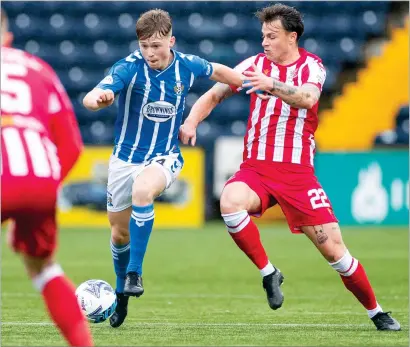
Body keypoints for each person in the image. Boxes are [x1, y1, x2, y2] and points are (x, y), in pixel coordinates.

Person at [179, 3, 401, 331]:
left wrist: (270, 85)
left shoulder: (312, 67)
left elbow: (308, 99)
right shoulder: (254, 64)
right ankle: (268, 272)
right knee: (229, 202)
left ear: (292, 37)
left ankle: (376, 311)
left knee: (336, 253)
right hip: (256, 169)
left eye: (272, 36)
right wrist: (191, 122)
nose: (265, 42)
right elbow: (215, 94)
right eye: (263, 36)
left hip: (297, 176)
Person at [83, 8, 243, 328]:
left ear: (171, 40)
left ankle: (134, 273)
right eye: (144, 46)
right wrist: (98, 98)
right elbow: (95, 95)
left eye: (156, 45)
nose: (150, 53)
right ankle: (121, 295)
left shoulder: (187, 65)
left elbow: (224, 74)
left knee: (144, 191)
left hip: (164, 156)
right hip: (124, 160)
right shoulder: (128, 68)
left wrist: (249, 83)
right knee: (118, 233)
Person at [0, 8, 94, 346]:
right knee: (43, 269)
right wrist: (34, 192)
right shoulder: (39, 69)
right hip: (40, 175)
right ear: (8, 37)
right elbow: (71, 146)